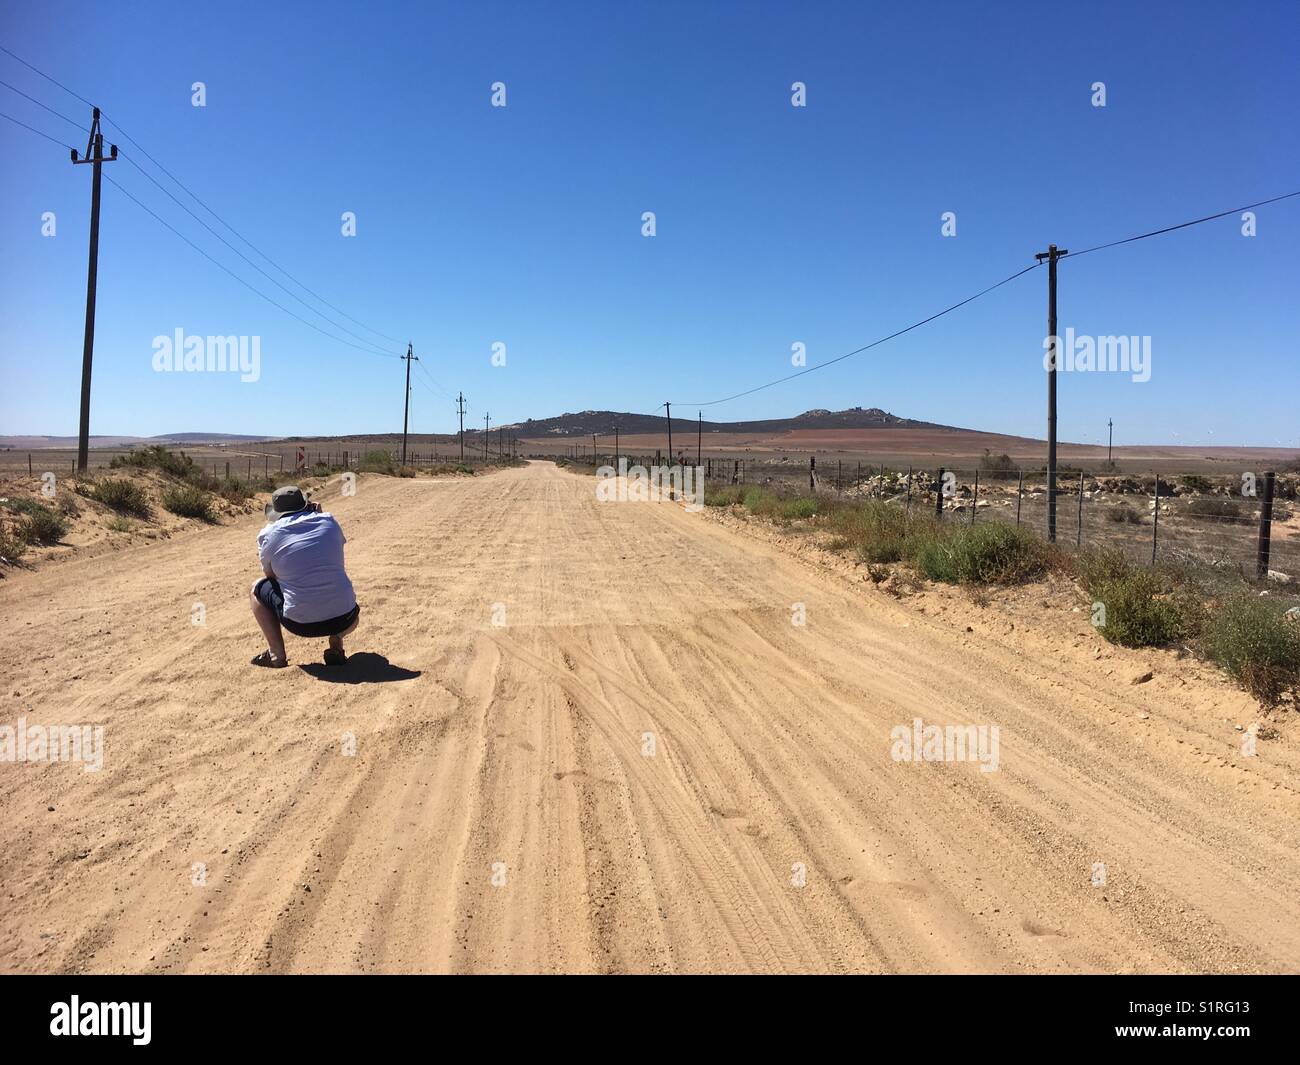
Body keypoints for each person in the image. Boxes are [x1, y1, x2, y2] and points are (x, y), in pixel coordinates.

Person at [249, 485, 359, 668]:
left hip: (299, 624)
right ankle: (336, 641)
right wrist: (320, 515)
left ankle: (276, 654)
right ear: (305, 504)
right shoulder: (329, 521)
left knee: (256, 588)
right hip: (346, 617)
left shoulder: (268, 534)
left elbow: (271, 576)